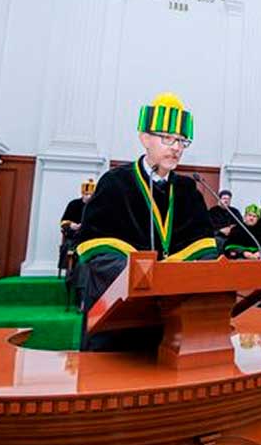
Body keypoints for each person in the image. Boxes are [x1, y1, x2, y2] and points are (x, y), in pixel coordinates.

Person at [74, 93, 216, 349]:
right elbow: (97, 250)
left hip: (174, 319)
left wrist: (171, 278)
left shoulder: (188, 190)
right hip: (119, 317)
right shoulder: (115, 182)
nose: (176, 147)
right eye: (167, 138)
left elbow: (204, 250)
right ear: (144, 138)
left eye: (183, 141)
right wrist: (145, 277)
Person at [58, 179, 95, 274]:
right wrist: (72, 225)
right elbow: (64, 222)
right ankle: (70, 272)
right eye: (86, 194)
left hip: (91, 237)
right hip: (74, 236)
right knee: (69, 246)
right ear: (82, 194)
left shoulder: (97, 205)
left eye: (91, 195)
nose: (88, 197)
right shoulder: (73, 204)